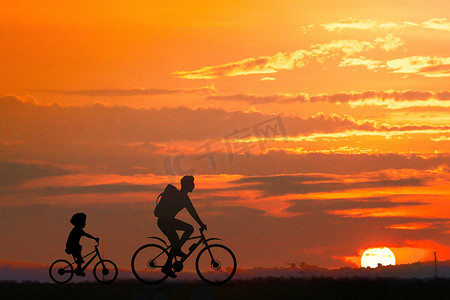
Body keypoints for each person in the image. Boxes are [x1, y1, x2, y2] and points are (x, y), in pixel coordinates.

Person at [156, 175, 207, 278]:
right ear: (187, 185)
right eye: (192, 184)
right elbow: (193, 212)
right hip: (165, 222)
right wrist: (201, 224)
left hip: (166, 221)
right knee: (189, 229)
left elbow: (193, 212)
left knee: (175, 243)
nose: (194, 186)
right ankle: (175, 253)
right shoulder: (182, 197)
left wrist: (201, 223)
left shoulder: (184, 198)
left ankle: (168, 265)